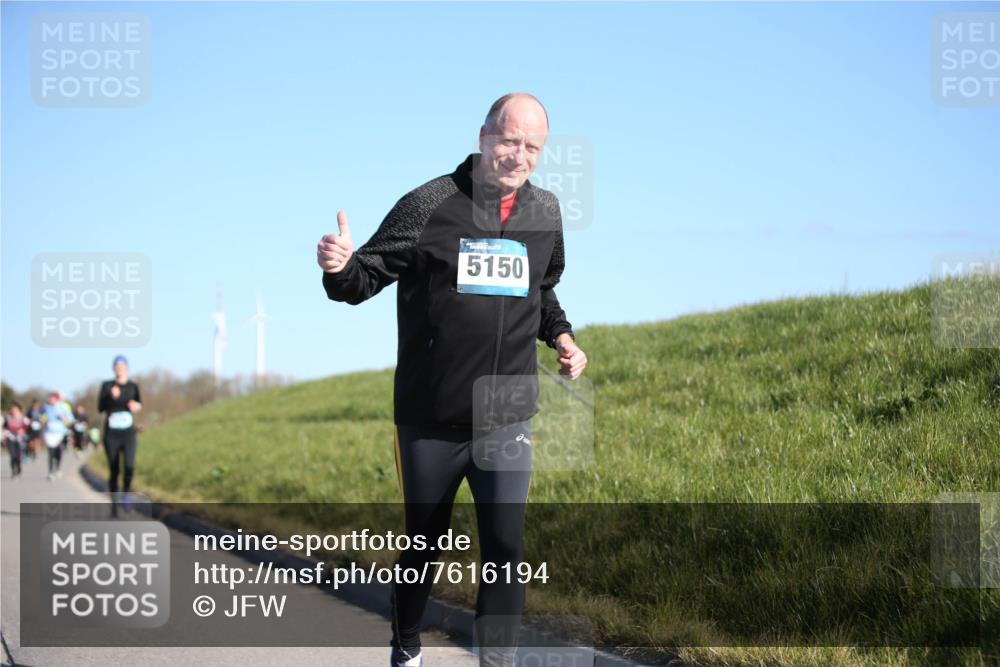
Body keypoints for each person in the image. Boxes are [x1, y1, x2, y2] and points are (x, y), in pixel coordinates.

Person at [318, 93, 588, 667]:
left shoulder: (546, 215)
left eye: (532, 147)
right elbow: (363, 279)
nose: (518, 155)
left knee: (506, 548)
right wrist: (341, 266)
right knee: (422, 547)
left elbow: (540, 290)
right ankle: (407, 647)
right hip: (429, 417)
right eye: (509, 140)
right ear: (484, 135)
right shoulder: (429, 204)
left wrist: (561, 336)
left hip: (506, 414)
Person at [97, 355, 142, 509]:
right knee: (114, 468)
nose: (120, 368)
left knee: (129, 466)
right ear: (113, 368)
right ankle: (114, 503)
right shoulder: (107, 386)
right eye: (117, 366)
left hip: (128, 433)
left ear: (127, 368)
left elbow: (138, 404)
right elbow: (100, 408)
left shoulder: (133, 386)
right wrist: (110, 397)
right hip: (112, 434)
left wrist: (136, 406)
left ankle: (126, 494)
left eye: (123, 366)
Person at [40, 391, 74, 480]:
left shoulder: (63, 407)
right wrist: (43, 419)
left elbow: (70, 420)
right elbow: (40, 416)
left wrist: (63, 418)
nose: (51, 400)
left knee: (58, 452)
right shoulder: (46, 407)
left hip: (60, 433)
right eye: (50, 398)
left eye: (53, 398)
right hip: (49, 433)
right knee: (50, 453)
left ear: (57, 399)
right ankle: (50, 472)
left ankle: (58, 467)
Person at [3, 402, 29, 478]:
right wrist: (5, 433)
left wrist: (23, 430)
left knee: (18, 456)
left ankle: (19, 469)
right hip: (10, 437)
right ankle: (13, 471)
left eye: (15, 409)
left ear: (19, 410)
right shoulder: (7, 417)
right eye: (12, 409)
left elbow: (28, 427)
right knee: (12, 455)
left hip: (20, 438)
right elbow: (5, 427)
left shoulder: (23, 418)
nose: (13, 411)